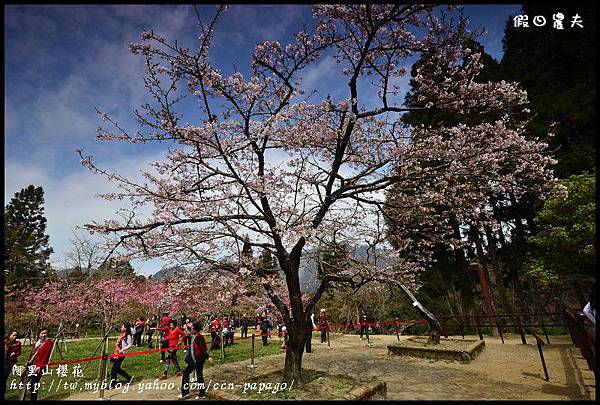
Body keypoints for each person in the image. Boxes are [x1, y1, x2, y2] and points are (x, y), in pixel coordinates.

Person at [180, 322, 212, 399]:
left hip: (198, 359)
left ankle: (186, 393)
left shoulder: (199, 337)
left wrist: (208, 357)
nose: (190, 330)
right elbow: (194, 348)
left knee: (187, 373)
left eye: (192, 329)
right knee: (198, 374)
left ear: (195, 330)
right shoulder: (194, 337)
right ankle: (201, 393)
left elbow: (202, 348)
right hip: (195, 358)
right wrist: (187, 348)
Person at [25, 329, 54, 401]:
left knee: (34, 383)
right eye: (42, 333)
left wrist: (40, 366)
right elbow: (33, 353)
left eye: (45, 333)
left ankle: (33, 398)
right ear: (39, 334)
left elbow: (46, 355)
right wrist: (28, 361)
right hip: (32, 364)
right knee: (24, 382)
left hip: (39, 366)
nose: (44, 335)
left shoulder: (48, 342)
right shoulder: (37, 342)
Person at [110, 322, 133, 389]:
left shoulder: (127, 335)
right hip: (117, 353)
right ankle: (129, 377)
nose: (121, 328)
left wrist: (123, 349)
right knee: (117, 369)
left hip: (121, 354)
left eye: (122, 327)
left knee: (114, 370)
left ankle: (112, 385)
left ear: (125, 328)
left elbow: (130, 344)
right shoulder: (122, 334)